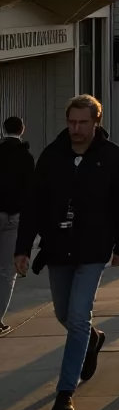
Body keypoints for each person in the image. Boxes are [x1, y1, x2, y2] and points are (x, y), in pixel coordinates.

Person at [14, 96, 119, 410]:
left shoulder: (111, 156)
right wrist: (23, 248)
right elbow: (34, 204)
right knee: (65, 314)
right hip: (58, 249)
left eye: (83, 123)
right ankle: (93, 339)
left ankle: (65, 391)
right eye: (71, 122)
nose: (76, 129)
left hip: (93, 250)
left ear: (96, 122)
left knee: (78, 316)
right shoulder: (53, 156)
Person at [0, 116, 34, 336]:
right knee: (6, 272)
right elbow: (32, 190)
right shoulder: (26, 157)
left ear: (3, 130)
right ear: (22, 130)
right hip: (14, 217)